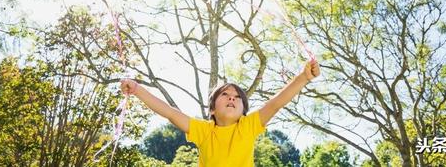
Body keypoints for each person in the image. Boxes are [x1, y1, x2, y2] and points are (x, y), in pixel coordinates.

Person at [120, 59, 320, 166]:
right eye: (225, 94)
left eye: (237, 96)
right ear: (213, 109)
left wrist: (303, 77)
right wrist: (138, 89)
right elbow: (170, 113)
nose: (232, 97)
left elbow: (275, 104)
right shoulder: (204, 130)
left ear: (244, 111)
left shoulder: (247, 126)